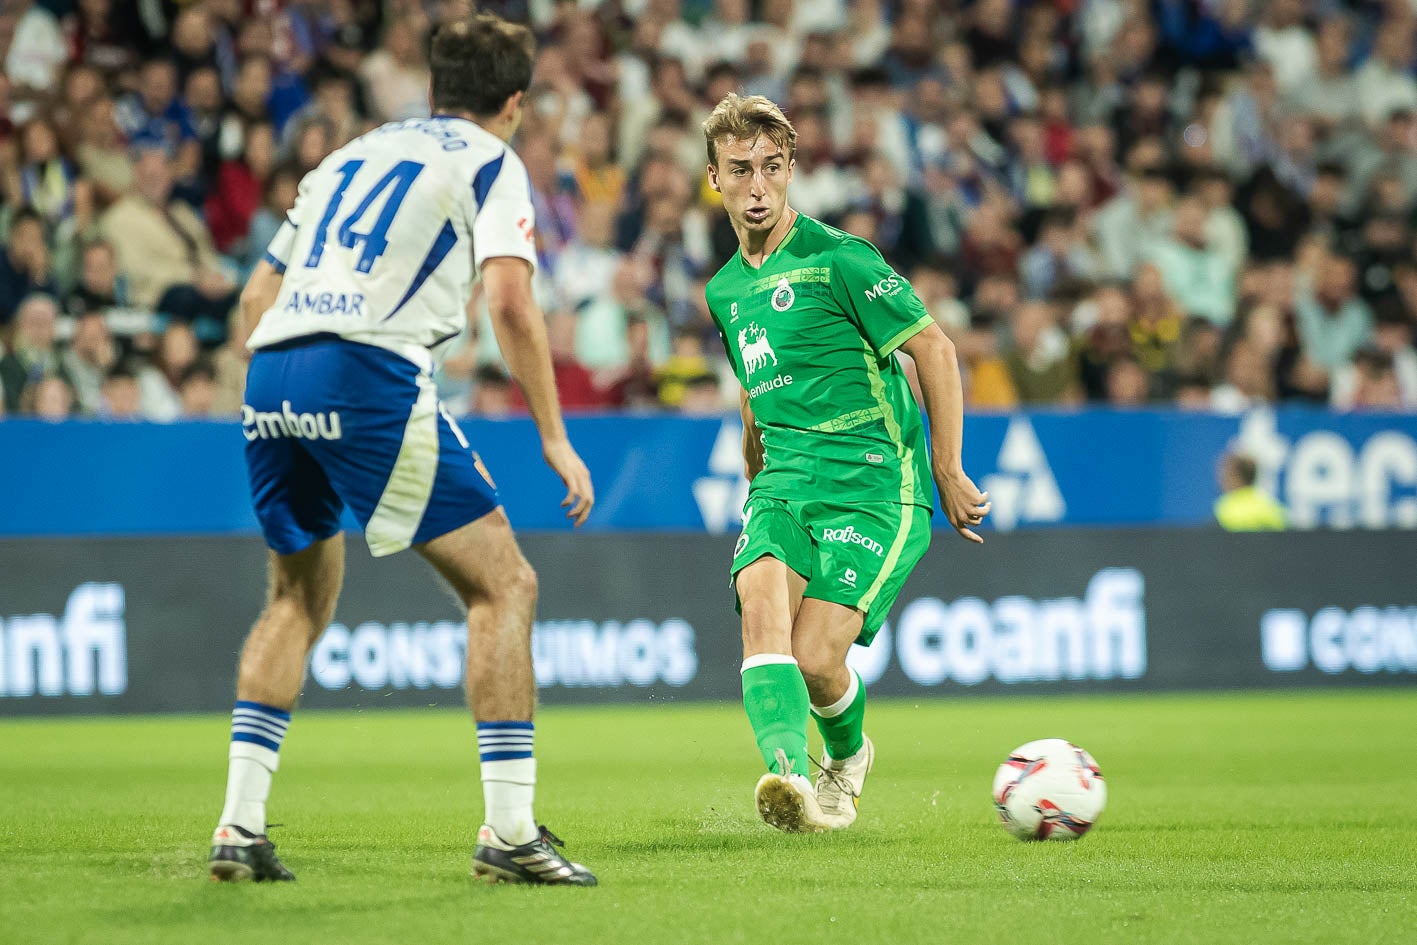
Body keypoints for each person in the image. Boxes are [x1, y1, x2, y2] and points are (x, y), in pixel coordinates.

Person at [207, 14, 598, 887]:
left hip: (274, 368)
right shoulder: (492, 161)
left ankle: (238, 826)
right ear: (514, 103)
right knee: (504, 585)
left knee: (296, 597)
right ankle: (508, 833)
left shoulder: (349, 155)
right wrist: (553, 437)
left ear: (431, 89)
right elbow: (509, 301)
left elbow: (255, 296)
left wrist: (288, 382)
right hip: (365, 370)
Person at [701, 94, 990, 833]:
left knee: (816, 659)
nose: (757, 186)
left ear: (792, 169)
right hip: (784, 482)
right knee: (759, 603)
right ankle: (787, 774)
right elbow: (751, 374)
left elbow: (935, 349)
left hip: (873, 485)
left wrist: (948, 468)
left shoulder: (840, 259)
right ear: (714, 179)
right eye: (740, 171)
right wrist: (750, 448)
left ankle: (847, 753)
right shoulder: (724, 289)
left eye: (771, 167)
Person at [1214, 452, 1286, 531]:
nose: (1222, 479)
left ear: (1236, 477)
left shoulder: (1224, 508)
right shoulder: (1272, 508)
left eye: (1227, 474)